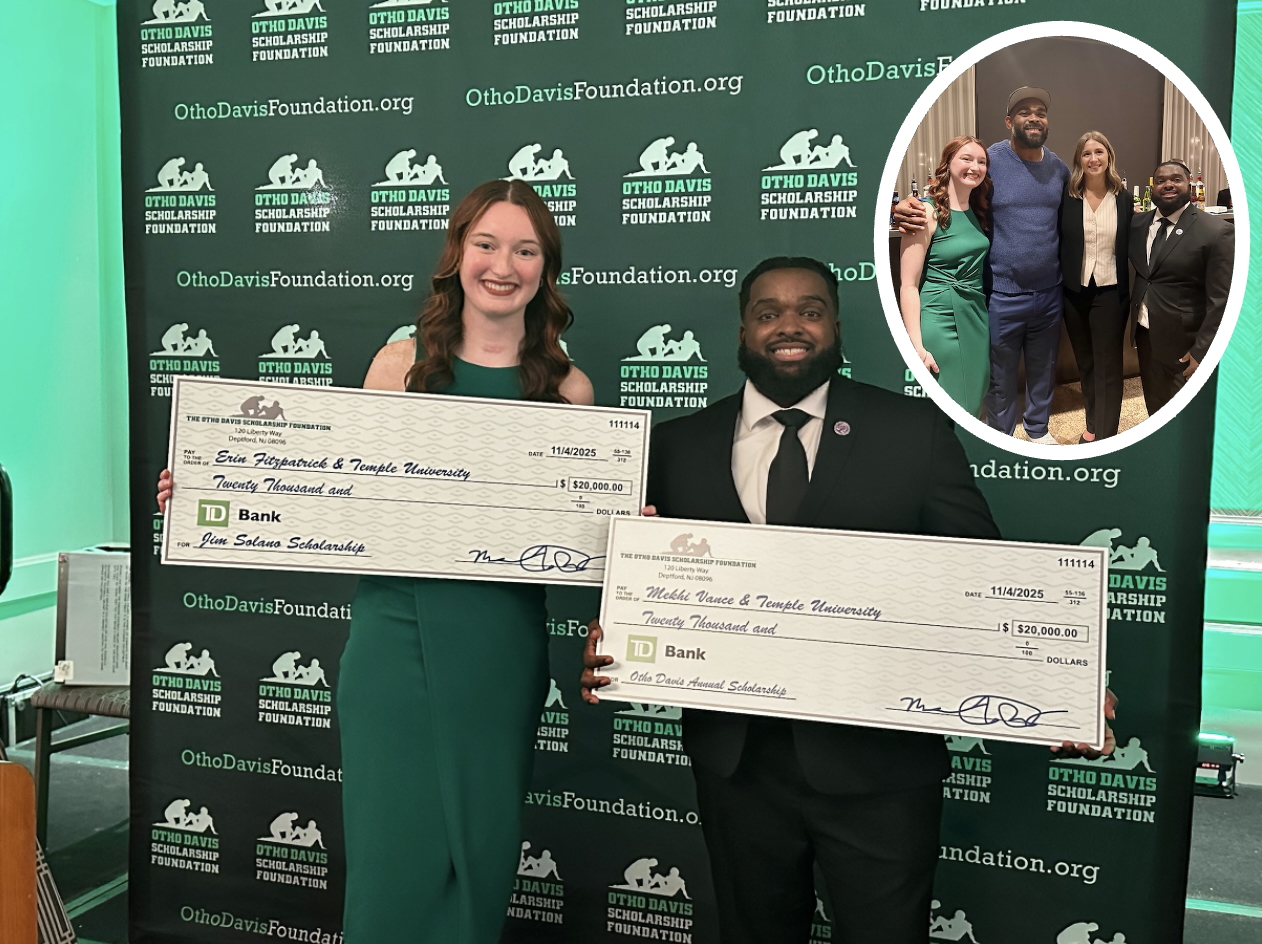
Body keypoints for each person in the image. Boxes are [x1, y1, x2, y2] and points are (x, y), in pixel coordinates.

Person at [580, 256, 1116, 944]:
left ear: (836, 328)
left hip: (882, 770)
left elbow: (983, 576)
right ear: (742, 333)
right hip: (738, 769)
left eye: (810, 311)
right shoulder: (677, 447)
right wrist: (613, 636)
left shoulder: (912, 431)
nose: (789, 326)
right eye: (768, 313)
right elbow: (647, 586)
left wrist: (1060, 687)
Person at [157, 179, 593, 944]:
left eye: (525, 250)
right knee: (394, 858)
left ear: (544, 267)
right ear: (457, 253)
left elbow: (578, 528)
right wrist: (213, 487)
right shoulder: (398, 366)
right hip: (395, 638)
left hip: (501, 649)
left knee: (481, 854)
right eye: (487, 244)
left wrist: (627, 537)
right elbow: (341, 498)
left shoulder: (569, 389)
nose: (503, 266)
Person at [895, 88, 1068, 443]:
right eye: (1024, 112)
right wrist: (905, 206)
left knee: (1043, 368)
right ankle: (1000, 437)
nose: (1034, 118)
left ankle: (1038, 430)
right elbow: (948, 193)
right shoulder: (990, 161)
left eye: (1040, 112)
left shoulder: (1060, 169)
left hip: (1049, 291)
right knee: (998, 377)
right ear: (1009, 121)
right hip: (1000, 294)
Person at [1128, 160, 1233, 413]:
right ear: (1152, 188)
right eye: (1161, 180)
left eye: (1176, 179)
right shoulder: (1137, 224)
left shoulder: (1216, 231)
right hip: (1146, 335)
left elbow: (1223, 300)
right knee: (1155, 406)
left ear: (1190, 185)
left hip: (1186, 344)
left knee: (1186, 415)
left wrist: (1203, 350)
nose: (1168, 185)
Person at [898, 135, 993, 417]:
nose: (975, 167)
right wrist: (915, 345)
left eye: (981, 161)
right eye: (966, 158)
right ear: (948, 163)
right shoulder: (924, 212)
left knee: (974, 399)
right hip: (941, 321)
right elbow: (908, 285)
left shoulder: (978, 209)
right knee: (952, 406)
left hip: (975, 315)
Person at [1059, 132, 1133, 441]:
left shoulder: (1123, 198)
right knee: (1086, 363)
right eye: (1086, 153)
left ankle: (1106, 435)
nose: (1093, 159)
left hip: (1110, 292)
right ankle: (1092, 426)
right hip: (1074, 293)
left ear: (1109, 156)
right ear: (1079, 159)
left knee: (1108, 367)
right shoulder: (1066, 197)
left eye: (1099, 152)